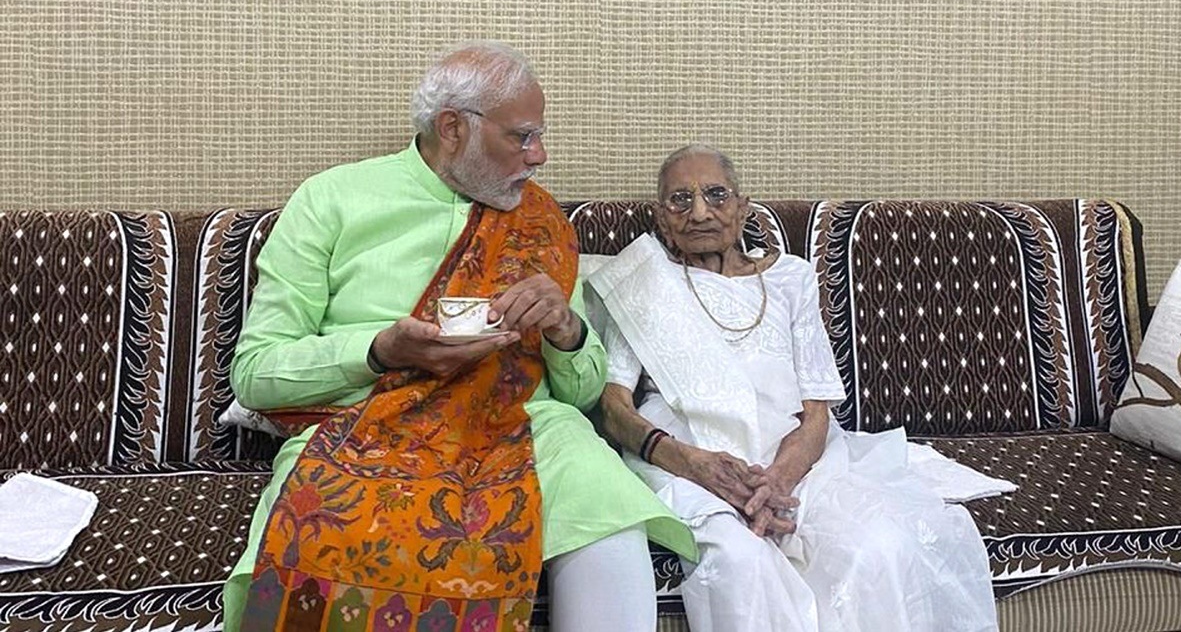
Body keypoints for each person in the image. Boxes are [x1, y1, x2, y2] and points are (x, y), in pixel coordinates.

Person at [221, 42, 694, 632]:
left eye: (538, 136)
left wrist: (566, 330)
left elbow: (581, 394)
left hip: (523, 425)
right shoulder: (330, 201)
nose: (539, 156)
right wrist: (378, 352)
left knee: (605, 507)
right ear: (452, 128)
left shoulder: (542, 222)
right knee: (324, 530)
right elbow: (257, 374)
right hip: (365, 428)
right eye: (520, 137)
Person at [592, 144, 1001, 632]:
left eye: (716, 195)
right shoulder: (644, 283)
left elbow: (815, 410)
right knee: (742, 564)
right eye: (680, 200)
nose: (699, 212)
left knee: (880, 547)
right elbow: (613, 406)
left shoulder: (791, 277)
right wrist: (693, 464)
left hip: (794, 459)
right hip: (687, 460)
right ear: (662, 217)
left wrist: (778, 481)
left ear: (743, 206)